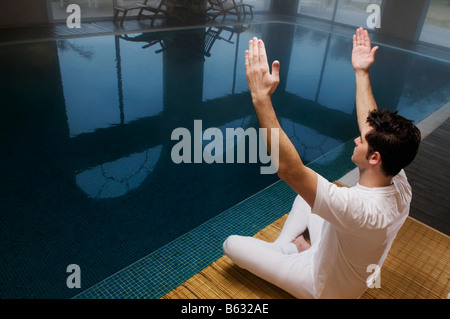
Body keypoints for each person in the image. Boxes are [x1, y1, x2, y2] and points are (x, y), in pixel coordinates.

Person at [222, 27, 421, 299]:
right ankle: (292, 246)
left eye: (362, 141)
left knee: (232, 245)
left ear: (375, 157)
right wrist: (361, 72)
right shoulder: (398, 180)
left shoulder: (360, 208)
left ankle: (287, 248)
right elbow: (370, 124)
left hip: (323, 287)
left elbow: (290, 170)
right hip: (344, 249)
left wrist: (261, 98)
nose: (356, 139)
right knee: (310, 196)